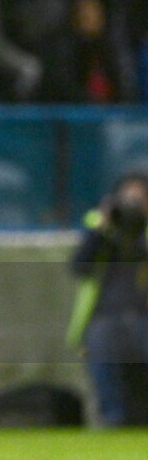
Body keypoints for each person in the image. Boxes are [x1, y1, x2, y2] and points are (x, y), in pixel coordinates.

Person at [66, 172, 148, 426]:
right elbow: (79, 266)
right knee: (108, 386)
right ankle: (113, 423)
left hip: (143, 316)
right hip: (104, 317)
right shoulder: (101, 227)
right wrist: (104, 229)